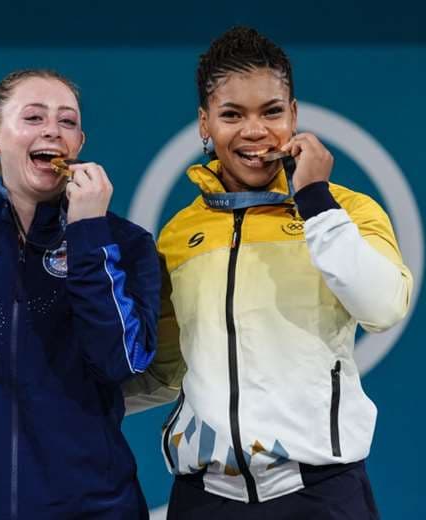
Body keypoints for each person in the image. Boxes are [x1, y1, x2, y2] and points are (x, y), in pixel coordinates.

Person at [130, 27, 412, 519]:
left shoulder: (346, 211)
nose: (254, 131)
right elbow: (167, 368)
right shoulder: (179, 235)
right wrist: (65, 402)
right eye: (232, 114)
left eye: (272, 112)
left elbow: (384, 307)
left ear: (295, 115)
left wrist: (317, 205)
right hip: (203, 500)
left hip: (321, 495)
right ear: (204, 124)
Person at [0, 69, 160, 519]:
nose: (52, 131)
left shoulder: (125, 243)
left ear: (79, 144)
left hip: (92, 508)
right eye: (33, 117)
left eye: (67, 122)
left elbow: (118, 360)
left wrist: (88, 234)